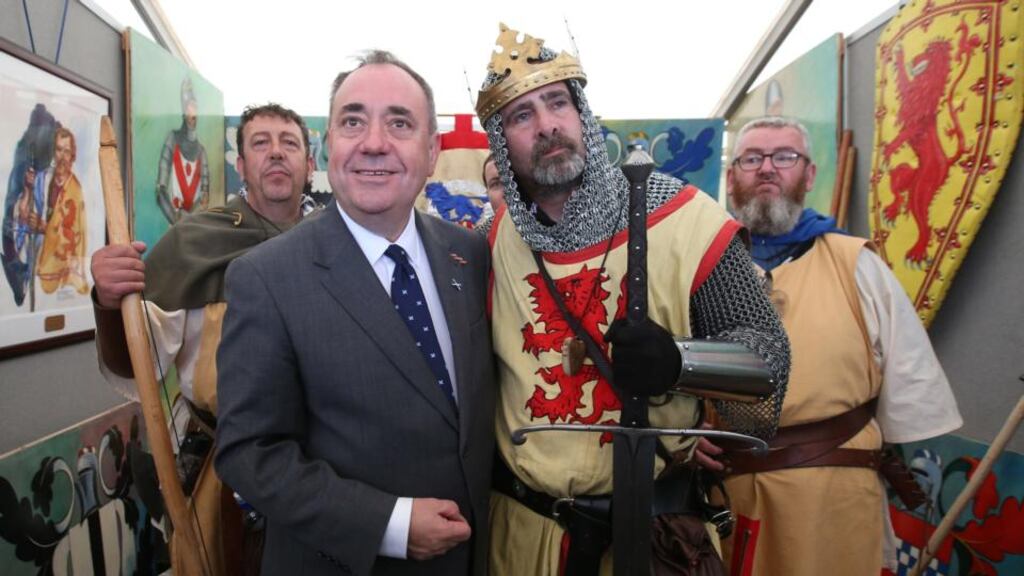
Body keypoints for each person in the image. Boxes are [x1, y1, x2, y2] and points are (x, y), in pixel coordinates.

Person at [476, 25, 790, 575]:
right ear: (501, 145)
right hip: (523, 539)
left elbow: (766, 361)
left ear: (582, 113)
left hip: (652, 539)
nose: (547, 124)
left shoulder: (686, 220)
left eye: (557, 102)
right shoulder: (490, 238)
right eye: (521, 116)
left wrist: (681, 363)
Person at [214, 51, 495, 576]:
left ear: (431, 151)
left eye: (399, 123)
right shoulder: (266, 277)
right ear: (328, 146)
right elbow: (250, 453)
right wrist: (388, 523)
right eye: (353, 121)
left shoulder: (471, 255)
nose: (373, 142)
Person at [696, 116, 962, 575]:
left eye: (784, 157)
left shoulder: (855, 263)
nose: (767, 169)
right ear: (731, 175)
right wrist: (682, 436)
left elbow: (908, 385)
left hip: (837, 495)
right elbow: (667, 374)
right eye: (752, 158)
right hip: (730, 494)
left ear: (809, 174)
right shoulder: (701, 268)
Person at [91, 102, 315, 575]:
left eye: (289, 143)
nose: (276, 153)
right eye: (260, 143)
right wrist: (111, 304)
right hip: (220, 467)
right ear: (241, 167)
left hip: (323, 464)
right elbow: (139, 363)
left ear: (310, 164)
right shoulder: (192, 244)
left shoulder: (339, 244)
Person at [12, 125, 88, 302]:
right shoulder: (42, 178)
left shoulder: (75, 191)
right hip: (35, 259)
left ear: (72, 157)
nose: (62, 157)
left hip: (59, 270)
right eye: (59, 150)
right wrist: (28, 190)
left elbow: (74, 238)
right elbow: (22, 216)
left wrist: (45, 227)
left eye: (67, 152)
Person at [157, 77, 211, 224]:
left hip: (193, 224)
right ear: (184, 111)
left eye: (195, 110)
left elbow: (204, 198)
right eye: (189, 109)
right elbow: (161, 190)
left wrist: (190, 221)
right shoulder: (172, 139)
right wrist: (176, 220)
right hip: (175, 221)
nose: (192, 116)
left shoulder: (201, 152)